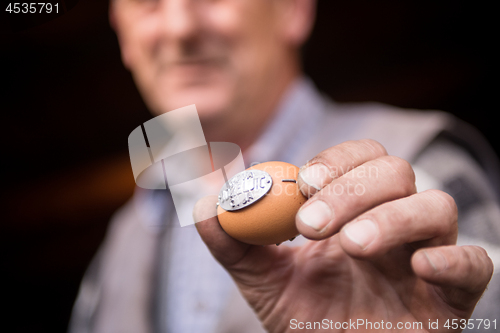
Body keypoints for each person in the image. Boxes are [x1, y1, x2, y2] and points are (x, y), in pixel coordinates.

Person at [69, 0, 500, 332]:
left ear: (293, 9)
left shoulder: (420, 166)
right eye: (147, 3)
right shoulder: (120, 241)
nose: (180, 27)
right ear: (122, 33)